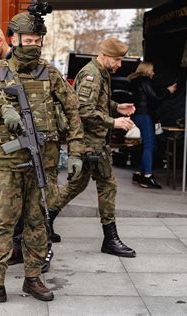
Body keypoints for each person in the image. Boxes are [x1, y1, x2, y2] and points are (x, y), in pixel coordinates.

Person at [0, 12, 84, 309]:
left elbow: (72, 111)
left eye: (37, 40)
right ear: (13, 39)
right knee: (4, 224)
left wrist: (76, 150)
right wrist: (0, 111)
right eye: (27, 40)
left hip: (42, 163)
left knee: (37, 222)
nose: (32, 45)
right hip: (5, 165)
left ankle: (33, 278)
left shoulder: (50, 72)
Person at [0, 22, 57, 273]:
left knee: (36, 210)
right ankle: (18, 251)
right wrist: (2, 111)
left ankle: (42, 254)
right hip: (8, 155)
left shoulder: (30, 68)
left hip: (35, 151)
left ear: (3, 40)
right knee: (11, 214)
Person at [53, 38, 137, 258]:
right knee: (108, 186)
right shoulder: (92, 74)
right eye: (118, 59)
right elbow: (82, 109)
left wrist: (117, 107)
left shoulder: (101, 72)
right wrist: (113, 122)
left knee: (75, 186)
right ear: (105, 55)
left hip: (92, 143)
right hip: (91, 143)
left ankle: (45, 219)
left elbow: (98, 102)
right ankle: (110, 239)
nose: (120, 64)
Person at [128, 62, 177, 189]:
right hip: (144, 115)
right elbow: (155, 98)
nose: (153, 73)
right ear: (147, 70)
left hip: (139, 114)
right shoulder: (145, 80)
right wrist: (168, 91)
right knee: (149, 146)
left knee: (150, 146)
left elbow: (149, 96)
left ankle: (139, 173)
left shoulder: (136, 81)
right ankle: (147, 177)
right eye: (152, 70)